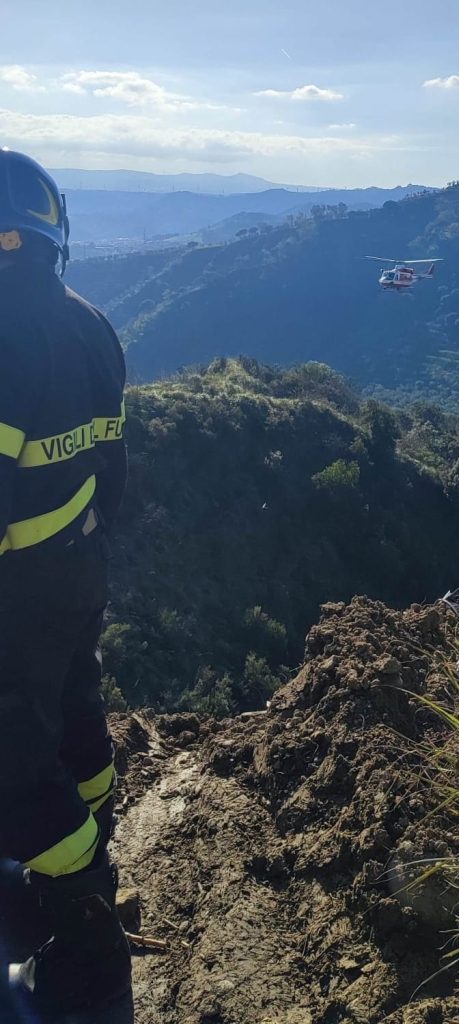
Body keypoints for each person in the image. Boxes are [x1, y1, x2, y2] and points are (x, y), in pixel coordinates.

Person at [0, 149, 132, 1016]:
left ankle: (86, 929)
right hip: (78, 570)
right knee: (76, 717)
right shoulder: (90, 323)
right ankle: (93, 844)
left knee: (11, 768)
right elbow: (110, 466)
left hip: (15, 591)